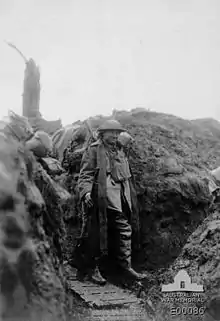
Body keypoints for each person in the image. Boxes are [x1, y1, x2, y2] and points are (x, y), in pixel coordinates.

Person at [75, 119, 146, 285]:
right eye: (111, 132)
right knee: (96, 235)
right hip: (101, 198)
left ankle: (125, 266)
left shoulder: (120, 150)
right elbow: (85, 175)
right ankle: (93, 269)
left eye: (117, 132)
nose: (115, 135)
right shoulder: (93, 151)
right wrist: (86, 193)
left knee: (124, 230)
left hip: (120, 198)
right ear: (102, 134)